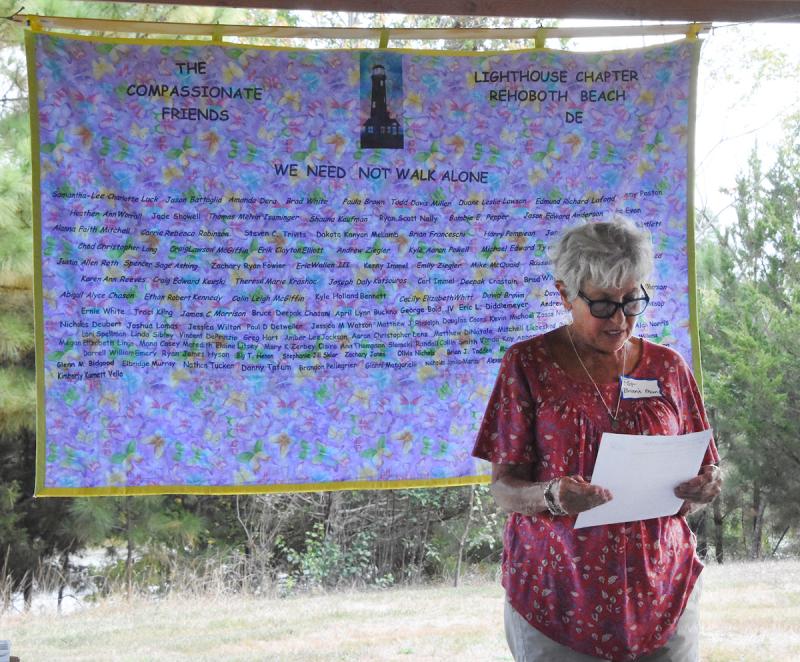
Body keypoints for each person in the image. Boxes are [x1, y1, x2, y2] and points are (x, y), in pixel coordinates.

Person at [473, 218, 722, 661]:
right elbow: (503, 488)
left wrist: (706, 486)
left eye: (631, 301)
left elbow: (706, 468)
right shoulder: (527, 365)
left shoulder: (668, 368)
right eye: (604, 304)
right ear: (564, 294)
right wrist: (552, 495)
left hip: (662, 590)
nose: (620, 319)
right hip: (559, 597)